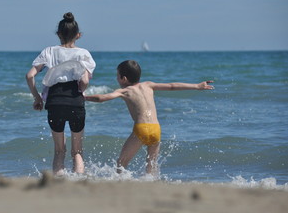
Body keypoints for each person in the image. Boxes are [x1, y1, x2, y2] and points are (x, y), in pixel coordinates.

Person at [85, 60, 213, 175]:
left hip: (141, 129)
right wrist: (197, 86)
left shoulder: (124, 91)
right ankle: (151, 182)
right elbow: (172, 86)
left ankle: (119, 182)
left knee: (121, 162)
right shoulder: (149, 85)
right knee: (151, 165)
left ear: (124, 78)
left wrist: (84, 97)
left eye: (117, 76)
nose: (116, 79)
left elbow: (102, 98)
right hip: (156, 129)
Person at [26, 12, 96, 176]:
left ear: (58, 34)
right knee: (77, 151)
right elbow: (84, 80)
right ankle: (78, 180)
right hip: (75, 100)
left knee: (59, 150)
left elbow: (29, 76)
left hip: (54, 101)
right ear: (78, 35)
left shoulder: (49, 51)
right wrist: (80, 92)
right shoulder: (83, 53)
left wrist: (37, 98)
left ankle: (58, 183)